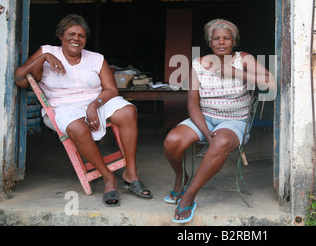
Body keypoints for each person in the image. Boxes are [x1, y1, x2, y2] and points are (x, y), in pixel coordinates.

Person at [15, 14, 152, 206]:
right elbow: (20, 79)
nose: (76, 39)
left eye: (81, 35)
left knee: (128, 111)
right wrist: (45, 57)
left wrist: (94, 104)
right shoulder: (47, 51)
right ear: (60, 35)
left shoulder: (96, 59)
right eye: (71, 34)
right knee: (77, 128)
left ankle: (131, 173)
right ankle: (108, 178)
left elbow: (111, 90)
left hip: (96, 101)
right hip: (61, 106)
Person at [163, 18, 276, 223]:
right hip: (204, 118)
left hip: (235, 121)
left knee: (221, 141)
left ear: (234, 42)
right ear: (210, 42)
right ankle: (181, 177)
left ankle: (189, 195)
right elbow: (192, 105)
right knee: (172, 141)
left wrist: (234, 72)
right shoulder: (198, 64)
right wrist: (205, 131)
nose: (221, 42)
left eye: (226, 38)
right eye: (217, 38)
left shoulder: (243, 59)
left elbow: (271, 82)